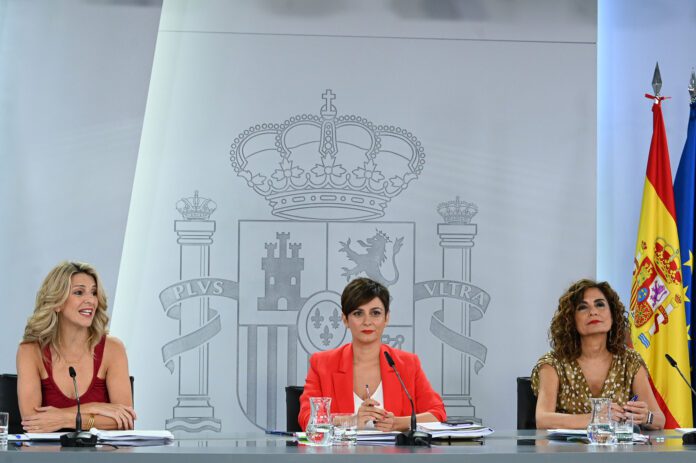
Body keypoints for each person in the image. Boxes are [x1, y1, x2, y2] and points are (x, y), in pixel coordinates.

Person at [298, 277, 446, 431]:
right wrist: (352, 420)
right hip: (343, 448)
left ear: (386, 318)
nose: (367, 321)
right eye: (358, 313)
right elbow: (307, 419)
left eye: (375, 313)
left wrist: (397, 423)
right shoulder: (322, 363)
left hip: (394, 447)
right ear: (345, 319)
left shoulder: (407, 364)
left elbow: (437, 414)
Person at [16, 261, 137, 432]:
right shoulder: (30, 351)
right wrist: (95, 407)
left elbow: (125, 420)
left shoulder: (113, 349)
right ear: (57, 303)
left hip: (101, 450)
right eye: (79, 292)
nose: (91, 300)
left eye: (93, 292)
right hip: (47, 450)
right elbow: (32, 421)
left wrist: (65, 418)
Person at [531, 279, 665, 429]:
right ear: (571, 319)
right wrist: (596, 417)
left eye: (600, 304)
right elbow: (543, 419)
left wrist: (647, 417)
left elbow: (659, 420)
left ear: (612, 314)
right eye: (583, 307)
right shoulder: (553, 363)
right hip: (565, 445)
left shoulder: (630, 361)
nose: (593, 312)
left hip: (618, 445)